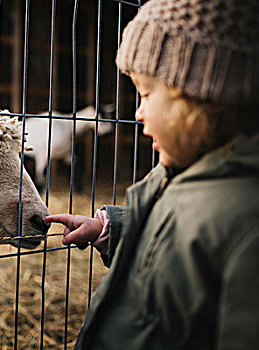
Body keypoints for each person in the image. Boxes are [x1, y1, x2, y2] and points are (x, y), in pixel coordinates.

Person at [45, 0, 259, 348]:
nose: (138, 112)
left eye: (145, 94)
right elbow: (166, 232)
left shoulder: (246, 226)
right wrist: (107, 229)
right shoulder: (171, 175)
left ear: (201, 99)